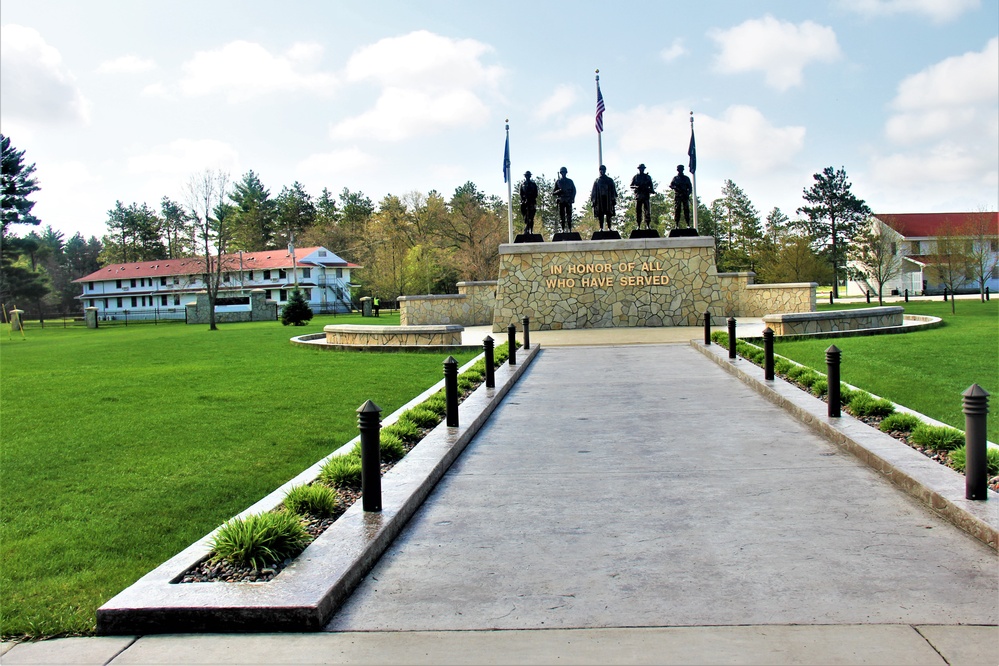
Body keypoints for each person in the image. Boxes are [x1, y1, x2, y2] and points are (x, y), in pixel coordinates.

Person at [590, 165, 617, 230]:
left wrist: (613, 199)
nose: (602, 171)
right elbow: (594, 192)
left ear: (605, 170)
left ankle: (609, 227)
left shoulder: (609, 180)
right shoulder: (597, 181)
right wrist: (593, 201)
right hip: (600, 200)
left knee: (608, 214)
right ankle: (601, 228)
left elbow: (613, 190)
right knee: (600, 214)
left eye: (603, 170)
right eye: (601, 170)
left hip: (608, 199)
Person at [630, 164, 655, 229]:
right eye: (640, 168)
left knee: (647, 211)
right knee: (638, 211)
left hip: (646, 195)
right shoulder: (636, 177)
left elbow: (651, 187)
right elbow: (631, 186)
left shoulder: (647, 177)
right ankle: (638, 225)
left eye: (642, 168)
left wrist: (651, 190)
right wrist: (636, 187)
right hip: (638, 196)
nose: (641, 169)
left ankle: (648, 225)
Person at [552, 166, 576, 232]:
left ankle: (570, 229)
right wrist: (559, 191)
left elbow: (574, 190)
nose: (563, 173)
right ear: (560, 173)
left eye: (564, 172)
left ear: (566, 173)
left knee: (569, 216)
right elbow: (553, 192)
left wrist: (572, 198)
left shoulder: (570, 181)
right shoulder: (558, 182)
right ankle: (562, 229)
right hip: (561, 200)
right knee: (562, 216)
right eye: (562, 172)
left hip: (568, 200)